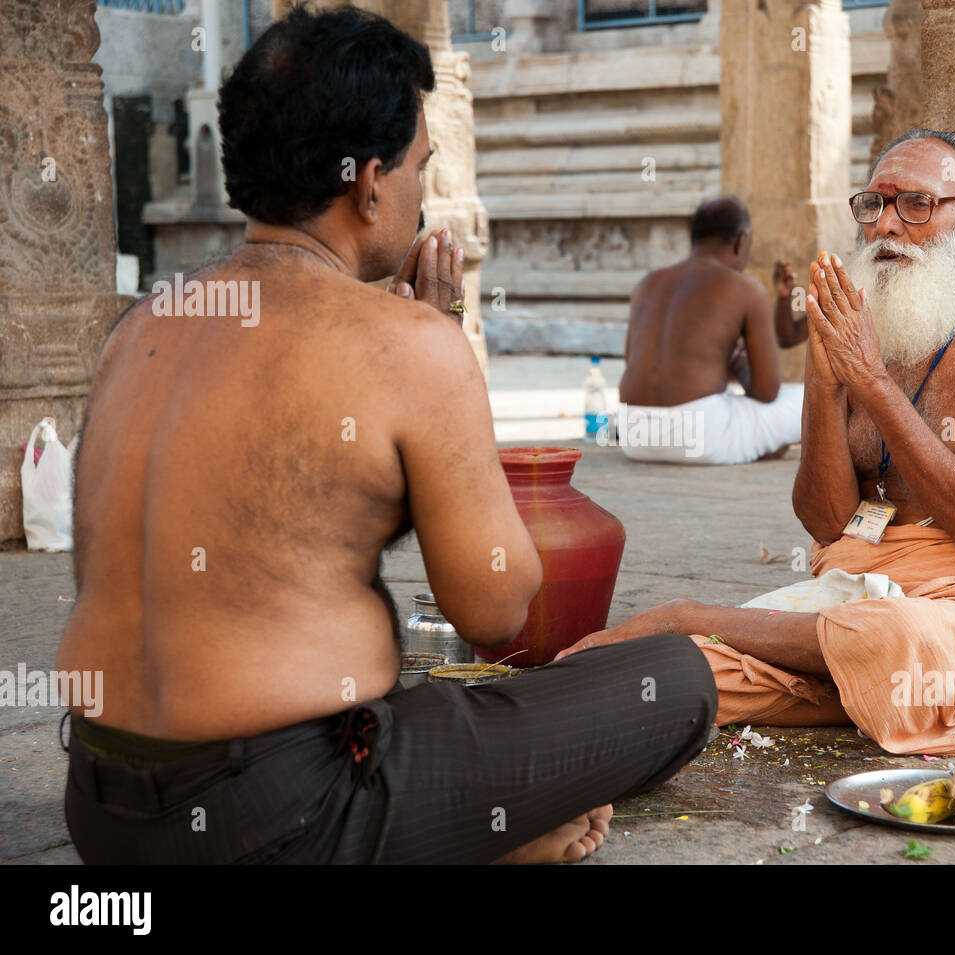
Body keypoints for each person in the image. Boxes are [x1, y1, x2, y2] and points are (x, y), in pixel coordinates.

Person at [55, 4, 716, 865]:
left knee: (407, 699)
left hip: (103, 810)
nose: (418, 192)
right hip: (284, 820)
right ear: (368, 184)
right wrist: (435, 357)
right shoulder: (410, 347)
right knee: (674, 679)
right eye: (418, 169)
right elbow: (497, 605)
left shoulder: (139, 327)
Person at [561, 129, 955, 756]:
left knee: (883, 633)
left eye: (915, 205)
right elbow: (829, 523)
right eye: (874, 205)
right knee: (678, 675)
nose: (887, 226)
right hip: (851, 595)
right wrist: (830, 388)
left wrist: (869, 378)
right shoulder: (855, 328)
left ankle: (692, 616)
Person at [615, 196, 805, 464]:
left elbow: (632, 362)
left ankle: (755, 443)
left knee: (731, 405)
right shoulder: (746, 288)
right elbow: (766, 392)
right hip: (700, 437)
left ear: (693, 239)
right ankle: (759, 445)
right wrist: (738, 366)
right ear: (741, 241)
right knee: (807, 399)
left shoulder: (647, 283)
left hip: (633, 433)